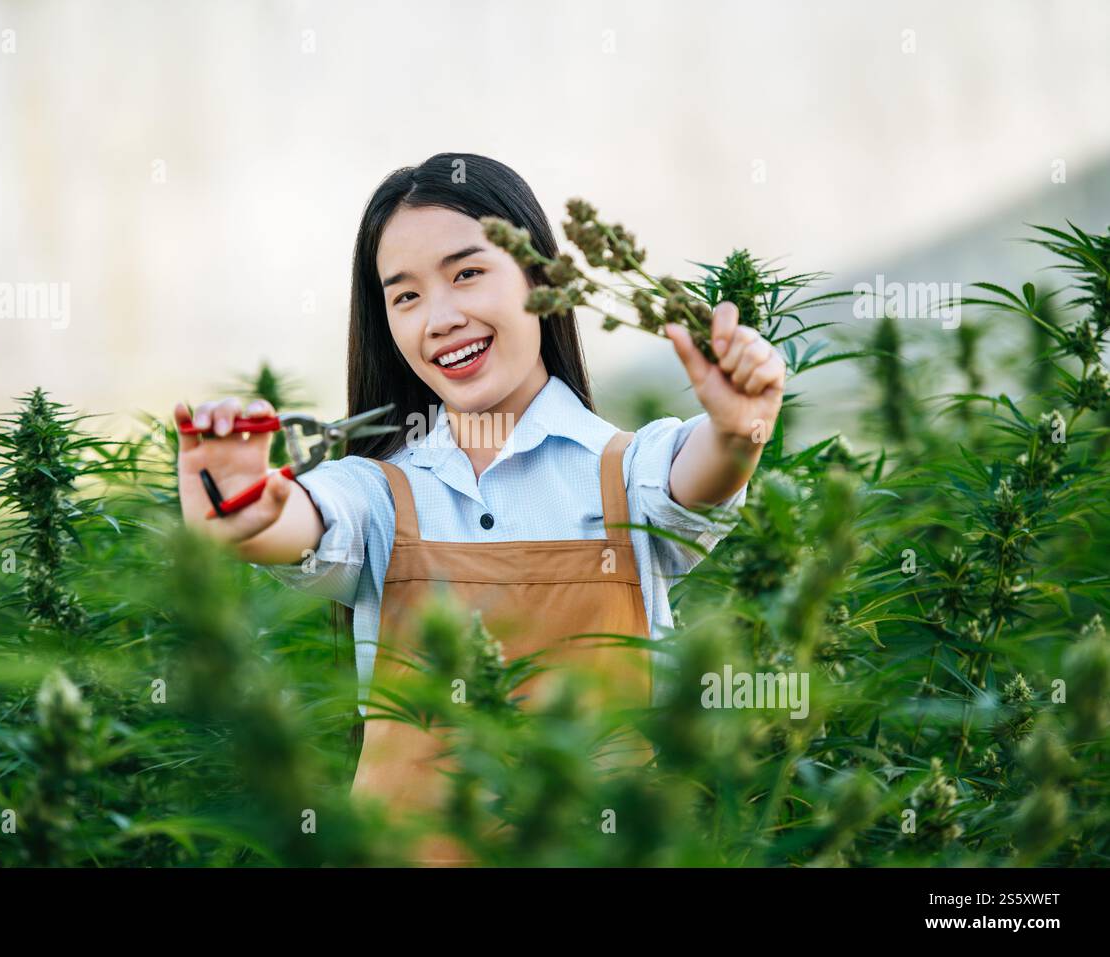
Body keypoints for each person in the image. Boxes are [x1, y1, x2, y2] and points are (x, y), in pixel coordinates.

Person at [173, 152, 784, 864]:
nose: (440, 317)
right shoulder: (378, 490)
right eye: (404, 296)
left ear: (542, 278)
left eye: (467, 272)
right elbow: (302, 518)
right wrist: (244, 509)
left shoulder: (626, 472)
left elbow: (698, 472)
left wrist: (741, 430)